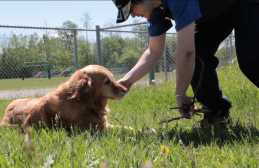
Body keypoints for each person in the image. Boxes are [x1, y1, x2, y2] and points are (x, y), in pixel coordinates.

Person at [112, 0, 259, 124]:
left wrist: (180, 93)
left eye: (131, 9)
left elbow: (186, 51)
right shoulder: (155, 11)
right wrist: (128, 80)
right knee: (198, 56)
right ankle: (217, 112)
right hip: (215, 13)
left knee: (251, 60)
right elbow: (153, 51)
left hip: (245, 3)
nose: (132, 15)